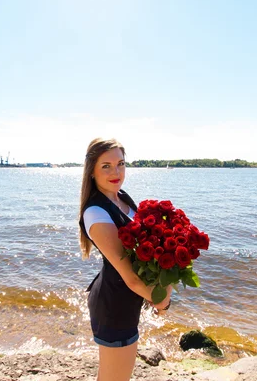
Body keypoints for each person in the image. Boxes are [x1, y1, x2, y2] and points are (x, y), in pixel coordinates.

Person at [78, 137, 172, 381]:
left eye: (120, 163)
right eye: (106, 166)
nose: (116, 172)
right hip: (114, 306)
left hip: (124, 300)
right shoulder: (96, 212)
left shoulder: (122, 198)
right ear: (92, 172)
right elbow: (129, 276)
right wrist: (162, 302)